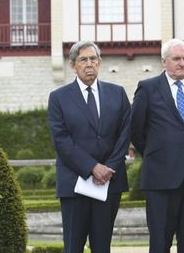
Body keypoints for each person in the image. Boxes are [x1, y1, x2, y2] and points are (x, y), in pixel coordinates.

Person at [47, 41, 131, 253]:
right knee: (73, 247)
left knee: (102, 247)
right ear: (73, 65)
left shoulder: (118, 93)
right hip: (75, 183)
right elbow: (61, 140)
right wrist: (93, 167)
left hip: (109, 183)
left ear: (100, 63)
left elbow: (125, 134)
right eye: (83, 60)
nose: (89, 64)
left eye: (93, 59)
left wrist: (107, 169)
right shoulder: (58, 98)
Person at [131, 38, 184, 253]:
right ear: (164, 61)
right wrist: (158, 154)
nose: (182, 63)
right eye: (176, 58)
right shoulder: (147, 88)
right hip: (160, 178)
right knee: (160, 241)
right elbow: (136, 130)